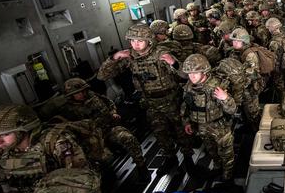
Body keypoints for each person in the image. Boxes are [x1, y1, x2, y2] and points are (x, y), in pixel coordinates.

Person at [97, 24, 184, 175]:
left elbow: (184, 75)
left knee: (182, 133)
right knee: (160, 134)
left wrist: (174, 63)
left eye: (140, 41)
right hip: (151, 103)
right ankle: (171, 159)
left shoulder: (161, 53)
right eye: (132, 40)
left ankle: (188, 161)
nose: (135, 44)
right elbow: (102, 76)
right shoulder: (129, 57)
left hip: (171, 100)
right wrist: (114, 58)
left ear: (149, 40)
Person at [0, 104, 89, 193]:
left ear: (24, 130)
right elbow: (7, 187)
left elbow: (82, 182)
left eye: (5, 134)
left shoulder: (54, 142)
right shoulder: (4, 151)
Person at [60, 77, 149, 181]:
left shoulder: (93, 96)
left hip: (109, 130)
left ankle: (142, 167)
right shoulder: (68, 110)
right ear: (71, 96)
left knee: (129, 138)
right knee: (104, 160)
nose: (82, 94)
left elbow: (109, 103)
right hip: (92, 140)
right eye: (77, 93)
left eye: (83, 91)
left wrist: (113, 112)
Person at [180, 54, 237, 181]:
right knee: (211, 151)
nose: (192, 76)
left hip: (219, 127)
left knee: (226, 154)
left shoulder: (216, 86)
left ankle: (228, 178)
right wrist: (186, 123)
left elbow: (232, 109)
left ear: (204, 71)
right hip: (202, 127)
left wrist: (225, 98)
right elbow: (186, 106)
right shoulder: (189, 86)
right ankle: (217, 168)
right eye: (189, 73)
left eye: (195, 72)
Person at [229, 28, 264, 130]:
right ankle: (248, 125)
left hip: (250, 88)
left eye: (237, 41)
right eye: (233, 41)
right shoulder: (236, 51)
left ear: (244, 42)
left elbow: (254, 73)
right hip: (241, 87)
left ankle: (257, 129)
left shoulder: (250, 55)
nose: (234, 43)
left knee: (252, 111)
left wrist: (239, 75)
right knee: (245, 110)